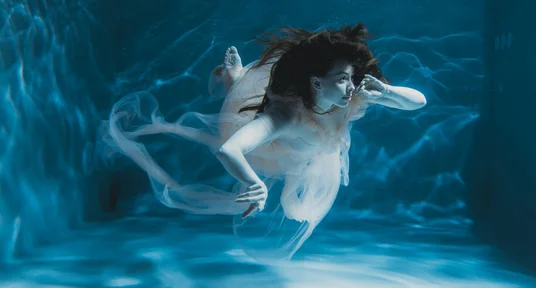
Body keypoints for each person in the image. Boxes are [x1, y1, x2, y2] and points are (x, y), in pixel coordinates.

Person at [101, 23, 426, 260]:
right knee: (250, 120)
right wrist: (254, 183)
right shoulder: (285, 116)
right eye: (343, 80)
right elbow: (230, 150)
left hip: (314, 146)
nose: (352, 87)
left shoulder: (350, 94)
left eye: (352, 78)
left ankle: (241, 79)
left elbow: (418, 103)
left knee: (299, 201)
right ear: (317, 82)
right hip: (276, 151)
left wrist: (388, 93)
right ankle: (237, 80)